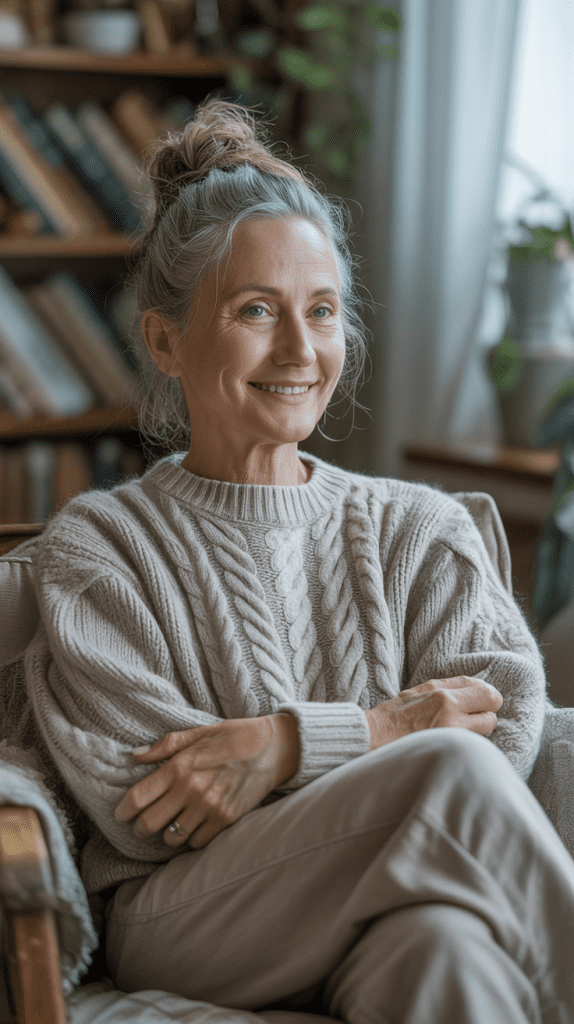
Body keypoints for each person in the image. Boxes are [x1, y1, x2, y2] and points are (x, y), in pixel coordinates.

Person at [24, 97, 574, 1024]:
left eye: (321, 311)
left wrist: (276, 748)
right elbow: (147, 810)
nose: (299, 349)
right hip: (191, 917)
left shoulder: (419, 526)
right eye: (254, 311)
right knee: (446, 776)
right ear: (164, 340)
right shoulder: (99, 549)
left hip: (387, 894)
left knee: (443, 949)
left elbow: (509, 722)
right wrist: (387, 731)